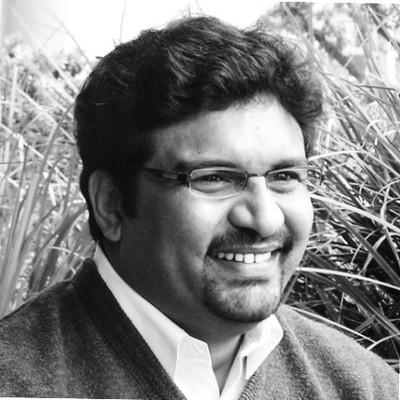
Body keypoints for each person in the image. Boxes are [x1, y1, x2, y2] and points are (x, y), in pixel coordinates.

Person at [0, 15, 398, 400]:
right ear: (112, 203)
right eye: (214, 177)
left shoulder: (362, 386)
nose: (265, 218)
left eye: (284, 176)